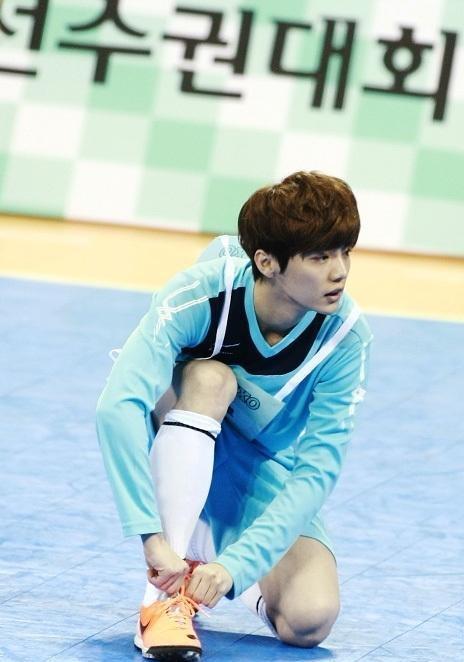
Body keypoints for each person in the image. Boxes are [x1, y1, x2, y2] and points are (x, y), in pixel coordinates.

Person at [96, 171, 373, 661]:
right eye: (319, 257)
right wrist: (151, 537)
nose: (340, 271)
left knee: (310, 619)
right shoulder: (200, 294)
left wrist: (235, 568)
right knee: (211, 379)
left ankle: (204, 556)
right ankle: (163, 600)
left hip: (253, 467)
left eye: (344, 252)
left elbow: (317, 470)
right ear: (267, 262)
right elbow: (118, 406)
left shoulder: (344, 337)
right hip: (178, 428)